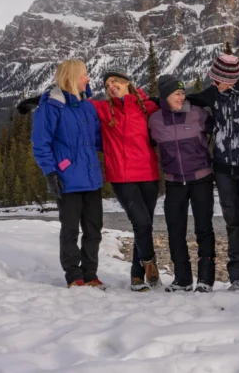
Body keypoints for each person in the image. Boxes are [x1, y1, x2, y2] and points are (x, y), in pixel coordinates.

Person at [187, 54, 239, 293]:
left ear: (231, 79)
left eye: (217, 80)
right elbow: (188, 99)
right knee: (232, 223)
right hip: (223, 169)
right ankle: (237, 276)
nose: (213, 84)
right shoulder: (215, 93)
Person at [31, 59, 105, 289]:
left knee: (94, 230)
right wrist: (50, 173)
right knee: (70, 230)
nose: (88, 78)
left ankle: (90, 273)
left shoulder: (88, 106)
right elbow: (40, 143)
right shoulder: (52, 107)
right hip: (68, 179)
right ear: (72, 77)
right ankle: (74, 275)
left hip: (92, 178)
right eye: (84, 74)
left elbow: (97, 140)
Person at [89, 71, 161, 292]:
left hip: (149, 173)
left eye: (115, 82)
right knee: (141, 222)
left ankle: (136, 276)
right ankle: (148, 261)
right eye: (107, 84)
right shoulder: (101, 109)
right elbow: (74, 102)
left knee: (145, 225)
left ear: (127, 83)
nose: (111, 86)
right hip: (122, 175)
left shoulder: (147, 106)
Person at [148, 75, 216, 292]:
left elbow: (220, 129)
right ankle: (182, 279)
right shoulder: (154, 120)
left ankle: (206, 279)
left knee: (204, 228)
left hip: (201, 179)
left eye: (182, 92)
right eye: (175, 93)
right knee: (175, 230)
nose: (181, 96)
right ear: (164, 96)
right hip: (174, 182)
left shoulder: (197, 113)